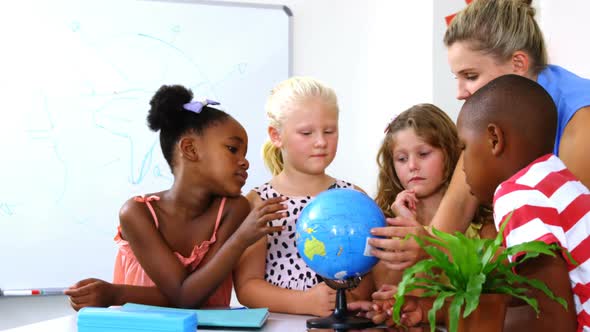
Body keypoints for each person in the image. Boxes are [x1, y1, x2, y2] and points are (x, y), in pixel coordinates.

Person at [375, 0, 590, 272]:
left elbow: (563, 254)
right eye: (457, 77)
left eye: (471, 75)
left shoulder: (581, 120)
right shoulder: (489, 120)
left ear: (518, 63)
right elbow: (444, 232)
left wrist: (430, 246)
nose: (460, 92)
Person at [377, 75, 589, 331]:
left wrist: (433, 247)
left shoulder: (519, 195)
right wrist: (430, 308)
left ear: (494, 140)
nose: (461, 164)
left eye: (464, 148)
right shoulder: (555, 180)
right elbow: (527, 295)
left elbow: (554, 320)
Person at [65, 85, 286, 310]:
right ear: (190, 149)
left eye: (245, 153)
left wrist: (115, 294)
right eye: (232, 149)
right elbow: (184, 295)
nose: (245, 162)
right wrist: (240, 239)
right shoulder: (138, 213)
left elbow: (189, 297)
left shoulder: (234, 209)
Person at [234, 76, 372, 317]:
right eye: (306, 133)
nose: (321, 142)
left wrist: (348, 298)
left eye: (329, 131)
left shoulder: (355, 198)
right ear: (276, 135)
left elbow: (369, 276)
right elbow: (247, 286)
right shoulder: (259, 203)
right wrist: (304, 302)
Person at [370, 103, 495, 291]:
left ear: (451, 152)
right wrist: (404, 222)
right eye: (401, 159)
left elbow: (492, 287)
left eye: (424, 154)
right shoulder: (385, 225)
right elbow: (386, 288)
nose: (412, 165)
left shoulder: (482, 224)